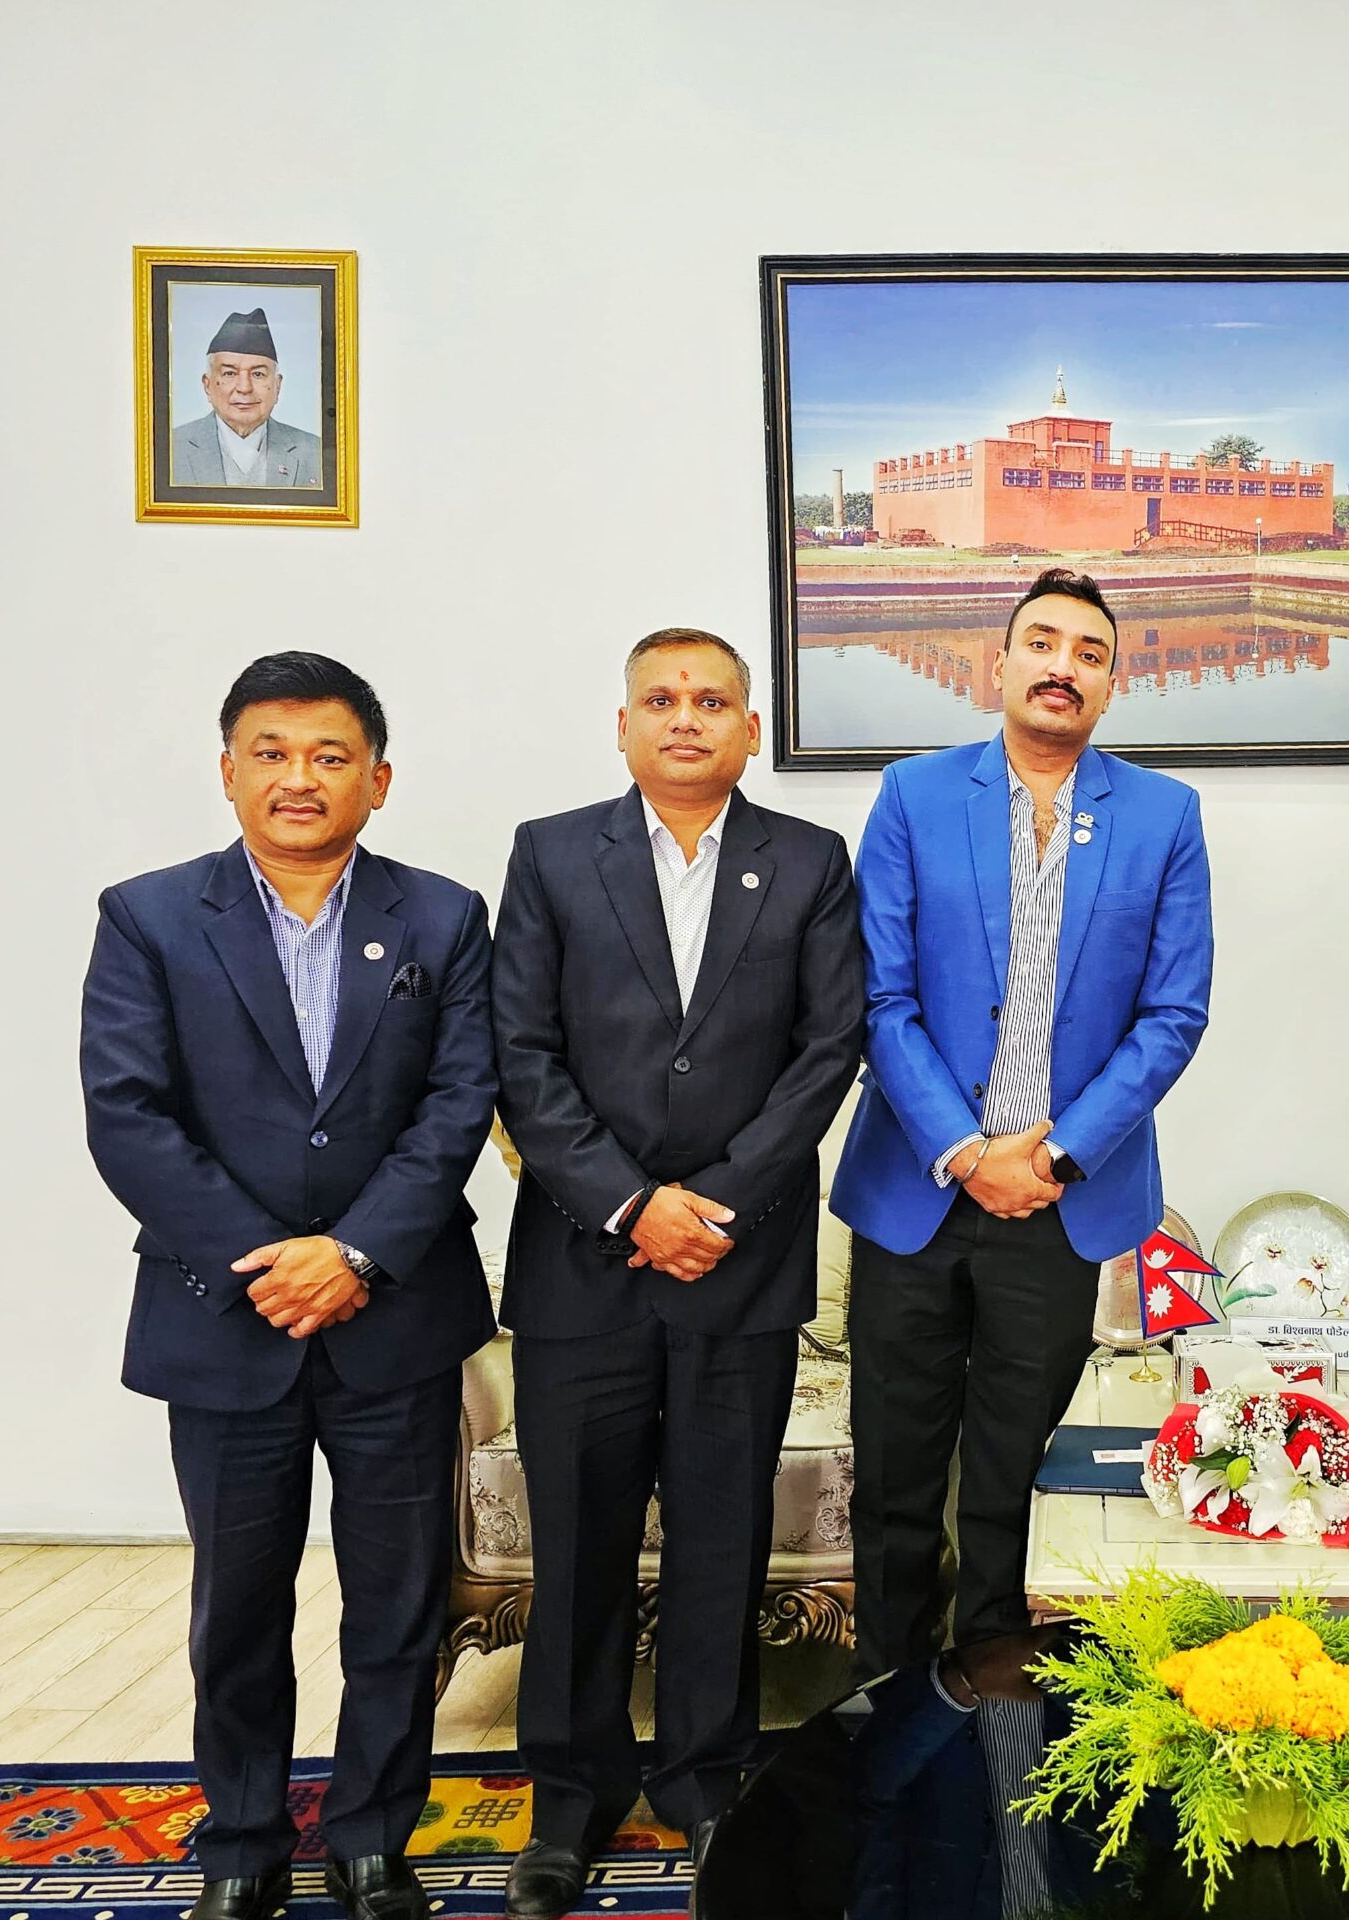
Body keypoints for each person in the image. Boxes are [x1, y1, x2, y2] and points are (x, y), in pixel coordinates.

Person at [80, 654, 495, 1920]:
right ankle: (243, 1842)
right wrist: (269, 1262)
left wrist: (354, 1254)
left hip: (394, 1316)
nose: (299, 778)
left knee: (398, 1605)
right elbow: (128, 1114)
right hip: (225, 1317)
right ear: (228, 771)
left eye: (329, 756)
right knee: (238, 1607)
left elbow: (458, 1105)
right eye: (270, 753)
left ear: (379, 778)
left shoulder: (443, 918)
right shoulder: (150, 916)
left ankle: (372, 1838)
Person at [490, 629, 863, 1919]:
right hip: (582, 1265)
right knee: (577, 1544)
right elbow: (521, 1052)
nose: (686, 718)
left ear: (750, 730)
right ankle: (569, 1795)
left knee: (719, 1537)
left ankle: (706, 1780)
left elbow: (826, 1050)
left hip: (738, 1262)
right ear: (623, 725)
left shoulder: (807, 861)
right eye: (661, 699)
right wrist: (631, 1204)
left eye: (712, 701)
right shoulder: (551, 854)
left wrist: (718, 1203)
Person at [832, 566, 1213, 1676]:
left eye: (1089, 654)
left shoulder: (1163, 816)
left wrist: (1056, 1153)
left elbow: (1173, 1014)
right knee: (896, 1476)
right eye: (1041, 644)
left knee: (1012, 1475)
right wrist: (965, 1151)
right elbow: (880, 998)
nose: (1062, 667)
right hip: (917, 1192)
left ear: (1111, 684)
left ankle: (997, 1714)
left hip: (1062, 1199)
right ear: (997, 664)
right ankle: (890, 1702)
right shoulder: (913, 796)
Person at [169, 308, 324, 488]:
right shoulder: (170, 448)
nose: (244, 388)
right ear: (207, 385)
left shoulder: (315, 452)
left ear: (277, 386)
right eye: (229, 373)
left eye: (258, 374)